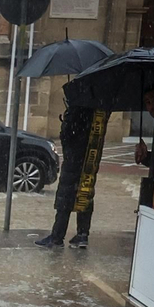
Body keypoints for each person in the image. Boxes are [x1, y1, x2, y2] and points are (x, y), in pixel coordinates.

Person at [36, 105, 96, 249]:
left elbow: (66, 138)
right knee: (85, 193)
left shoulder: (75, 115)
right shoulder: (94, 115)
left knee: (65, 199)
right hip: (89, 162)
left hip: (73, 162)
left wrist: (66, 121)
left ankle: (57, 237)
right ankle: (82, 234)